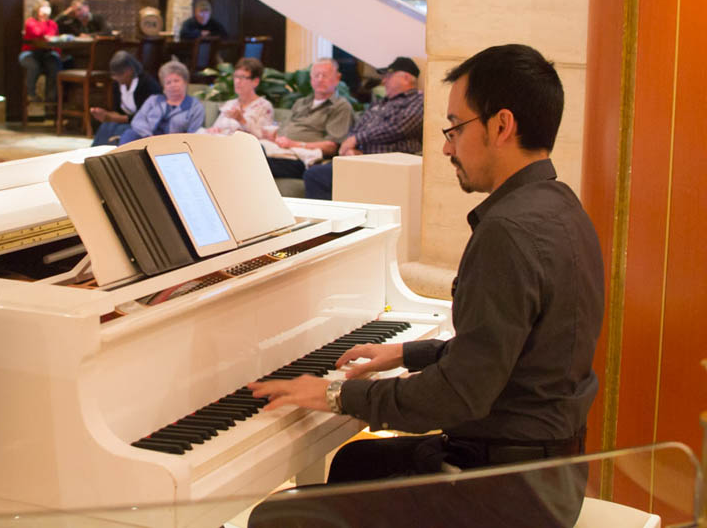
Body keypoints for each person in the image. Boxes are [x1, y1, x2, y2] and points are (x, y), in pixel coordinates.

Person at [249, 44, 603, 527]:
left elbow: (460, 396)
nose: (445, 147)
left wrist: (333, 395)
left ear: (501, 126)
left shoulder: (507, 232)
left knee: (277, 517)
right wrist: (405, 354)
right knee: (356, 463)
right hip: (551, 469)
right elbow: (508, 352)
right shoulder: (561, 207)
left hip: (511, 493)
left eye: (455, 128)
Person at [303, 56, 424, 200]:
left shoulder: (417, 101)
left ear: (406, 78)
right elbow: (359, 125)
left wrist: (356, 139)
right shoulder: (380, 103)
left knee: (315, 176)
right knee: (316, 173)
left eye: (389, 76)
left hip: (389, 165)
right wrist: (350, 149)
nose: (384, 81)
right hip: (360, 160)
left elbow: (400, 127)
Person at [262, 58, 353, 179]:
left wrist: (294, 144)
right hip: (282, 151)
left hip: (304, 158)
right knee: (248, 150)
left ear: (337, 78)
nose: (320, 79)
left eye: (325, 75)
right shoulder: (301, 103)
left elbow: (331, 147)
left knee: (255, 161)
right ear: (311, 79)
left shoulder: (340, 106)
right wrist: (274, 138)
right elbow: (283, 131)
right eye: (316, 75)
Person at [118, 60, 204, 145]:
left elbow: (193, 134)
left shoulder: (195, 106)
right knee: (130, 133)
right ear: (164, 87)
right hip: (147, 140)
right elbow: (137, 121)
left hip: (174, 145)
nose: (172, 85)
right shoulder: (153, 100)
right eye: (168, 82)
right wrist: (149, 136)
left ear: (185, 82)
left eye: (176, 81)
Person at [90, 50, 163, 146]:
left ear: (129, 71)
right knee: (106, 126)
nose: (115, 78)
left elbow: (145, 116)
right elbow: (117, 110)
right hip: (125, 120)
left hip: (144, 124)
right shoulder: (117, 85)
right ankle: (94, 154)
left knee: (122, 130)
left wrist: (115, 118)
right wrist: (106, 115)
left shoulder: (148, 85)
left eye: (119, 74)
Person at [200, 57, 273, 138]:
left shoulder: (264, 106)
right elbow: (216, 127)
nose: (237, 81)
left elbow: (264, 137)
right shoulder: (230, 104)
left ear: (255, 81)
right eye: (235, 76)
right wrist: (214, 130)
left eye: (242, 77)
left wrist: (242, 120)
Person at [19, 0, 61, 117]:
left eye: (47, 7)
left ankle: (51, 101)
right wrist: (44, 22)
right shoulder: (30, 22)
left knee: (55, 67)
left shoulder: (53, 24)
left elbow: (53, 38)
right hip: (30, 53)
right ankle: (31, 93)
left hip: (47, 53)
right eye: (43, 7)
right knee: (34, 66)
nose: (46, 10)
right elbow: (38, 33)